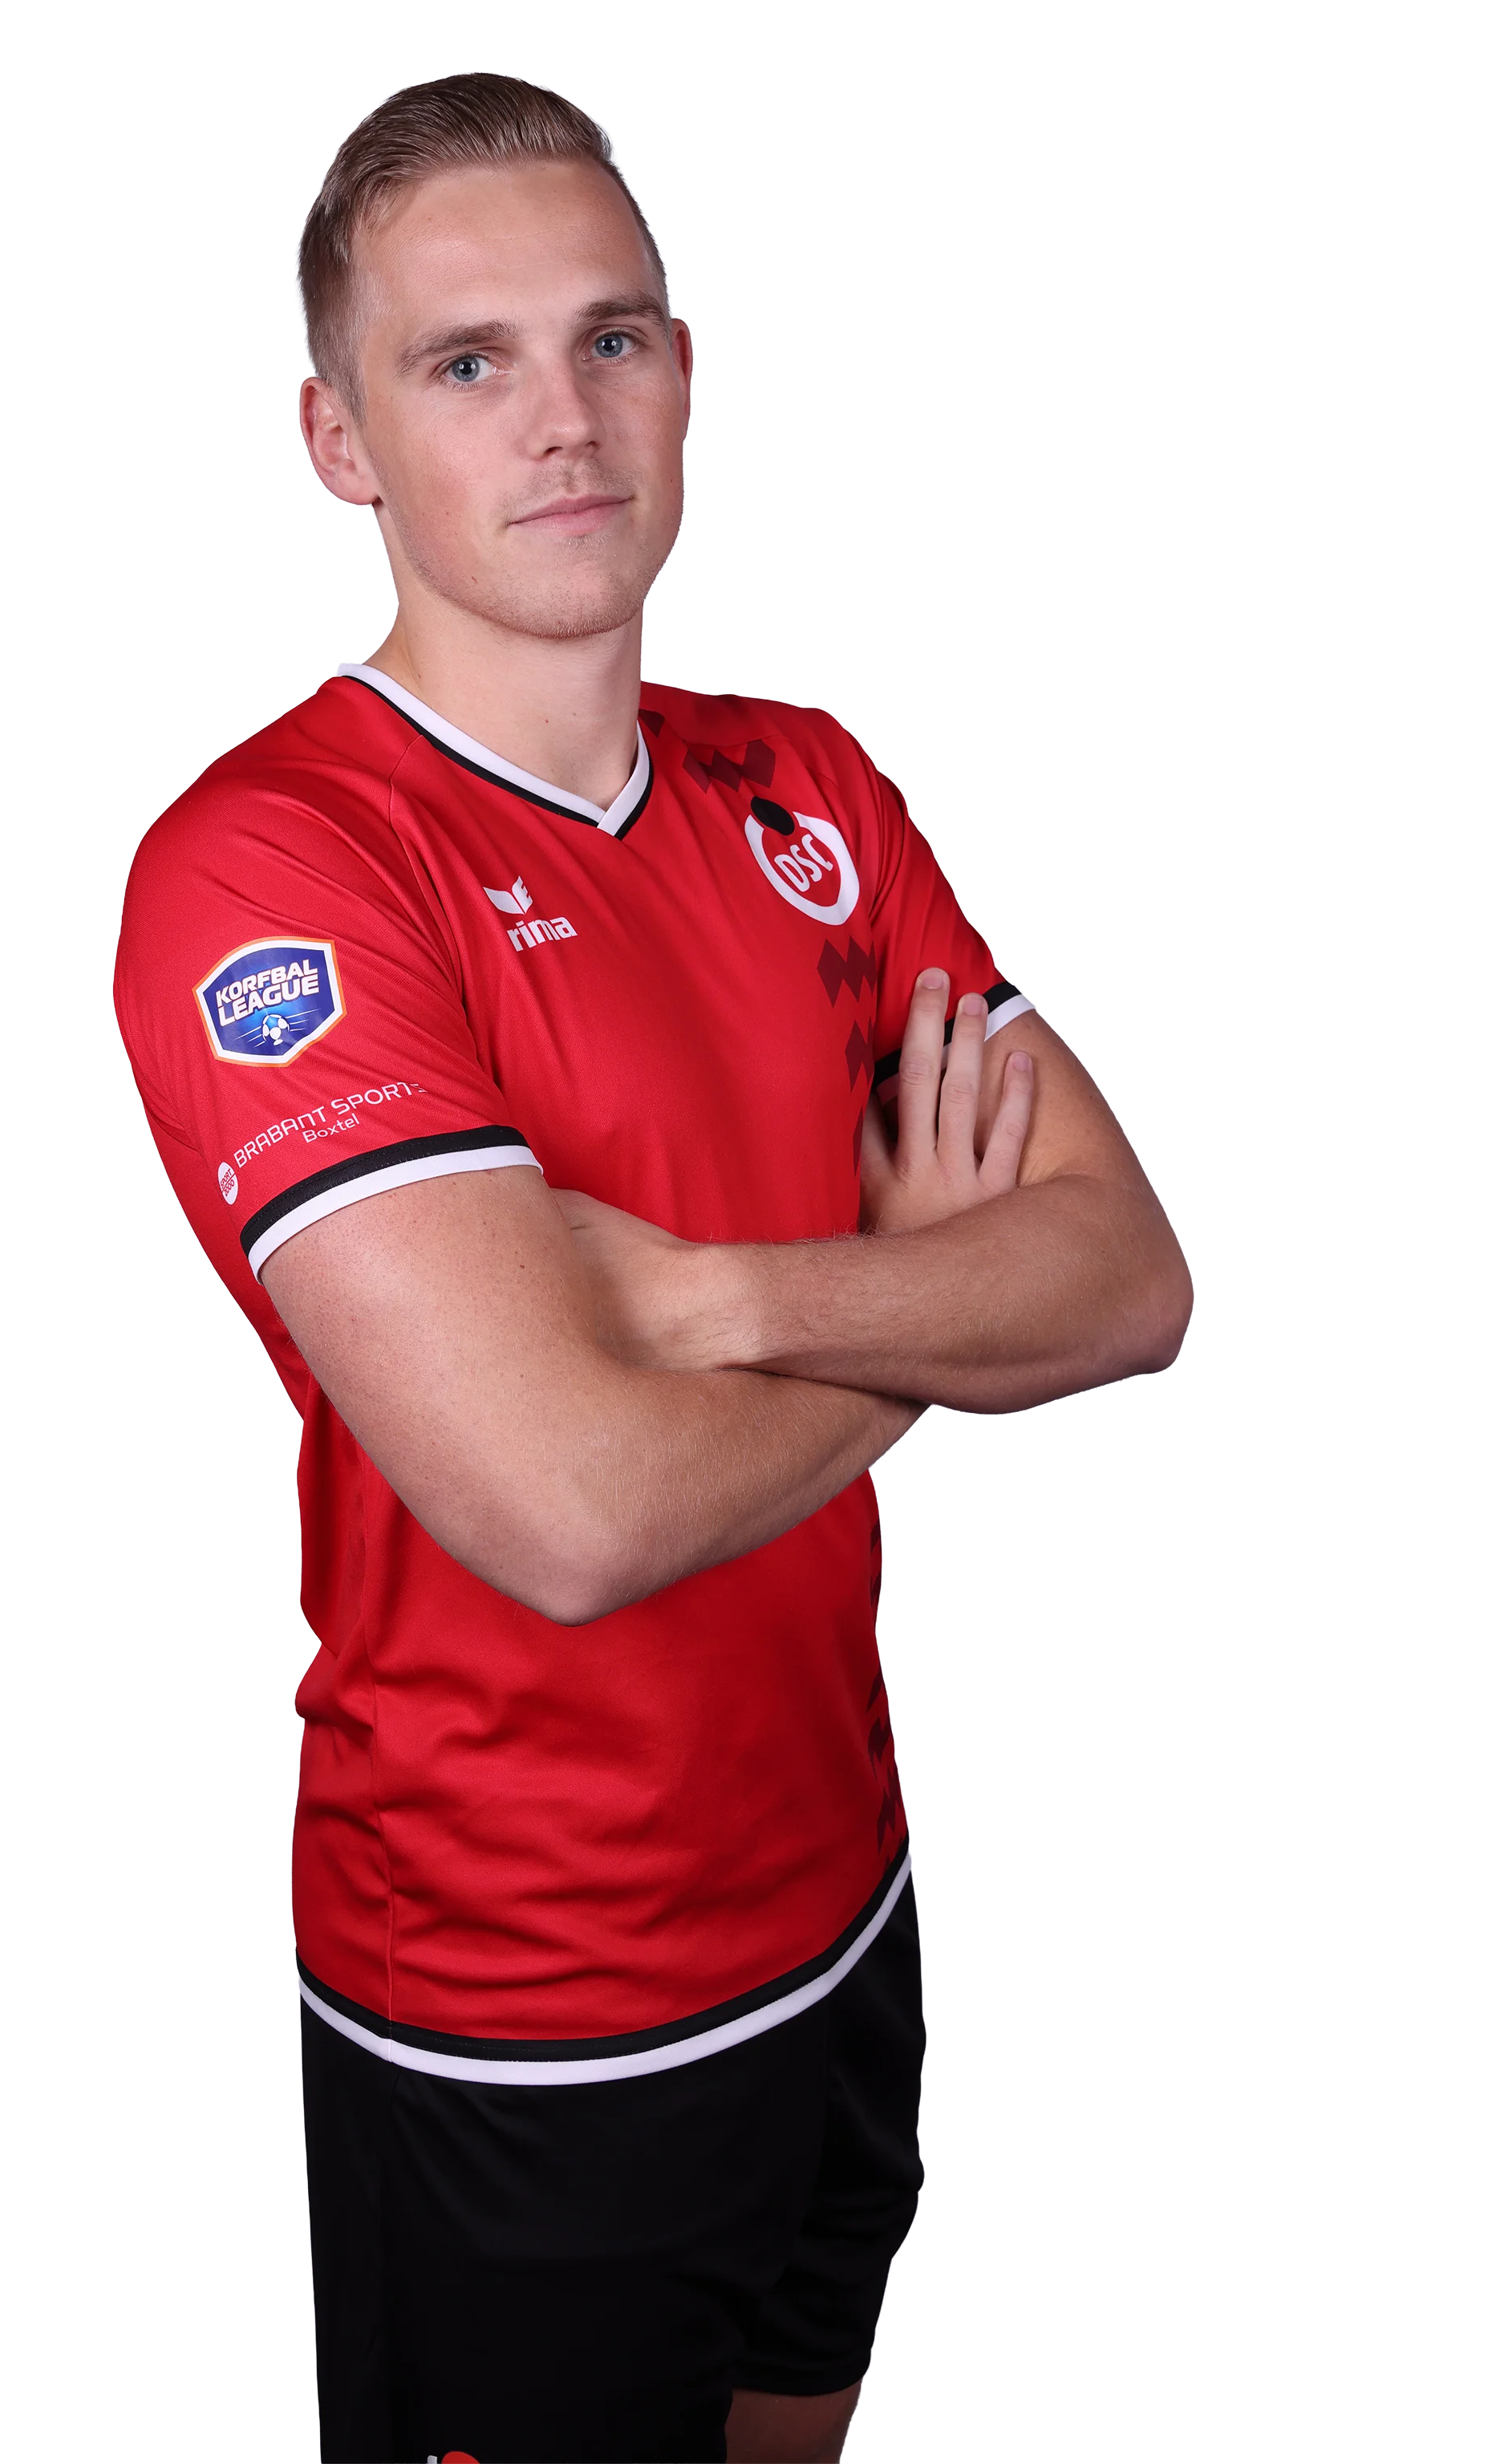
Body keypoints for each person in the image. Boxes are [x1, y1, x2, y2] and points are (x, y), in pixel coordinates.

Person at [112, 70, 1192, 2464]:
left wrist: (712, 1297)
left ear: (687, 373)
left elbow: (1125, 1275)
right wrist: (929, 1301)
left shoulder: (807, 784)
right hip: (523, 2014)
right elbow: (571, 1512)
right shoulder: (276, 868)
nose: (564, 418)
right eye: (464, 361)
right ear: (339, 439)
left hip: (846, 1901)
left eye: (613, 337)